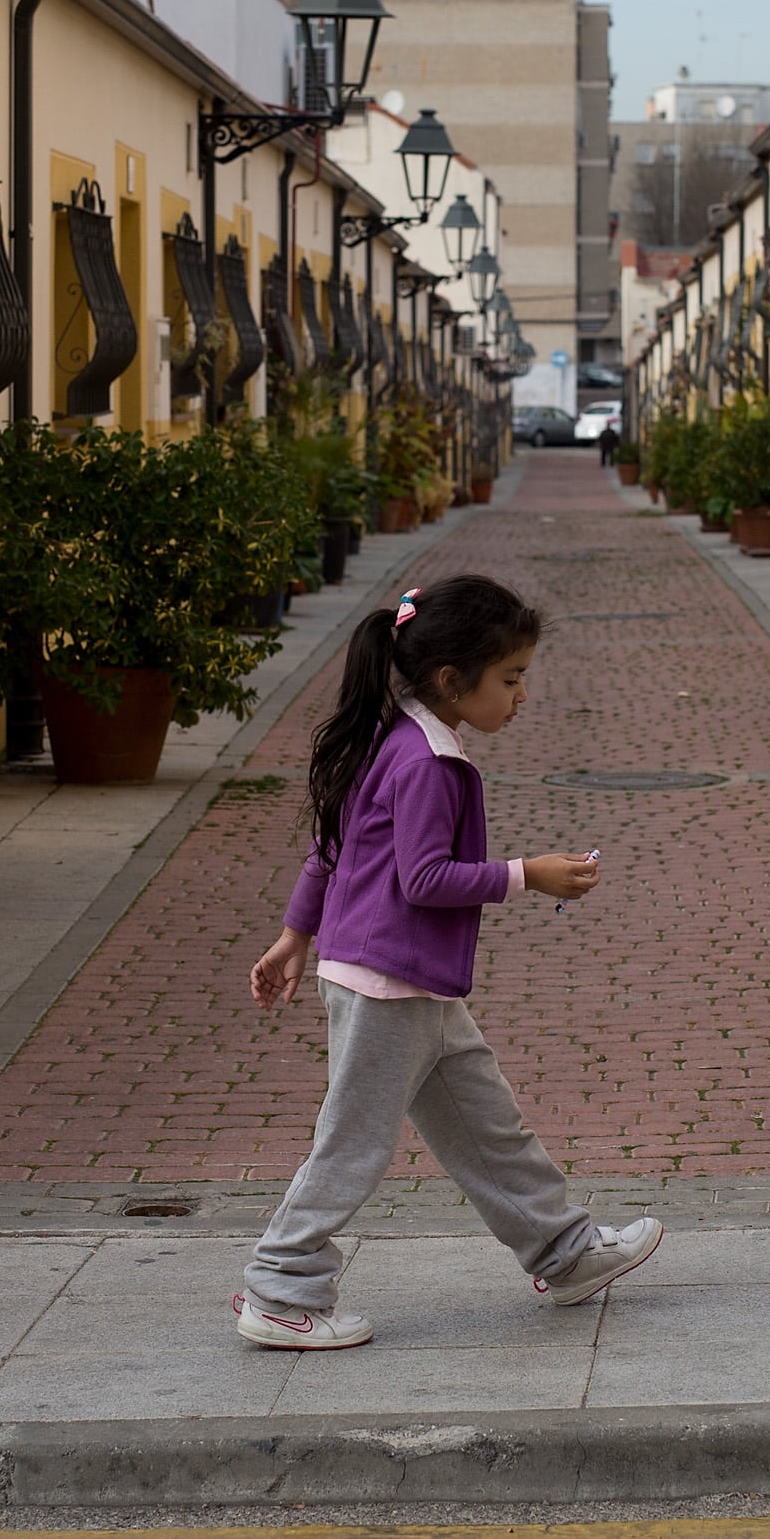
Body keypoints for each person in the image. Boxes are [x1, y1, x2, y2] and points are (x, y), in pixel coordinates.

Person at [233, 575, 662, 1350]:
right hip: (388, 985)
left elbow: (333, 844)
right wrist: (527, 873)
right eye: (511, 678)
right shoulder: (428, 761)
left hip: (404, 979)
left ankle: (564, 1254)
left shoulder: (390, 731)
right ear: (451, 679)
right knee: (354, 1143)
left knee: (487, 1125)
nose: (522, 694)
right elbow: (422, 879)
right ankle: (279, 1287)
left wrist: (297, 933)